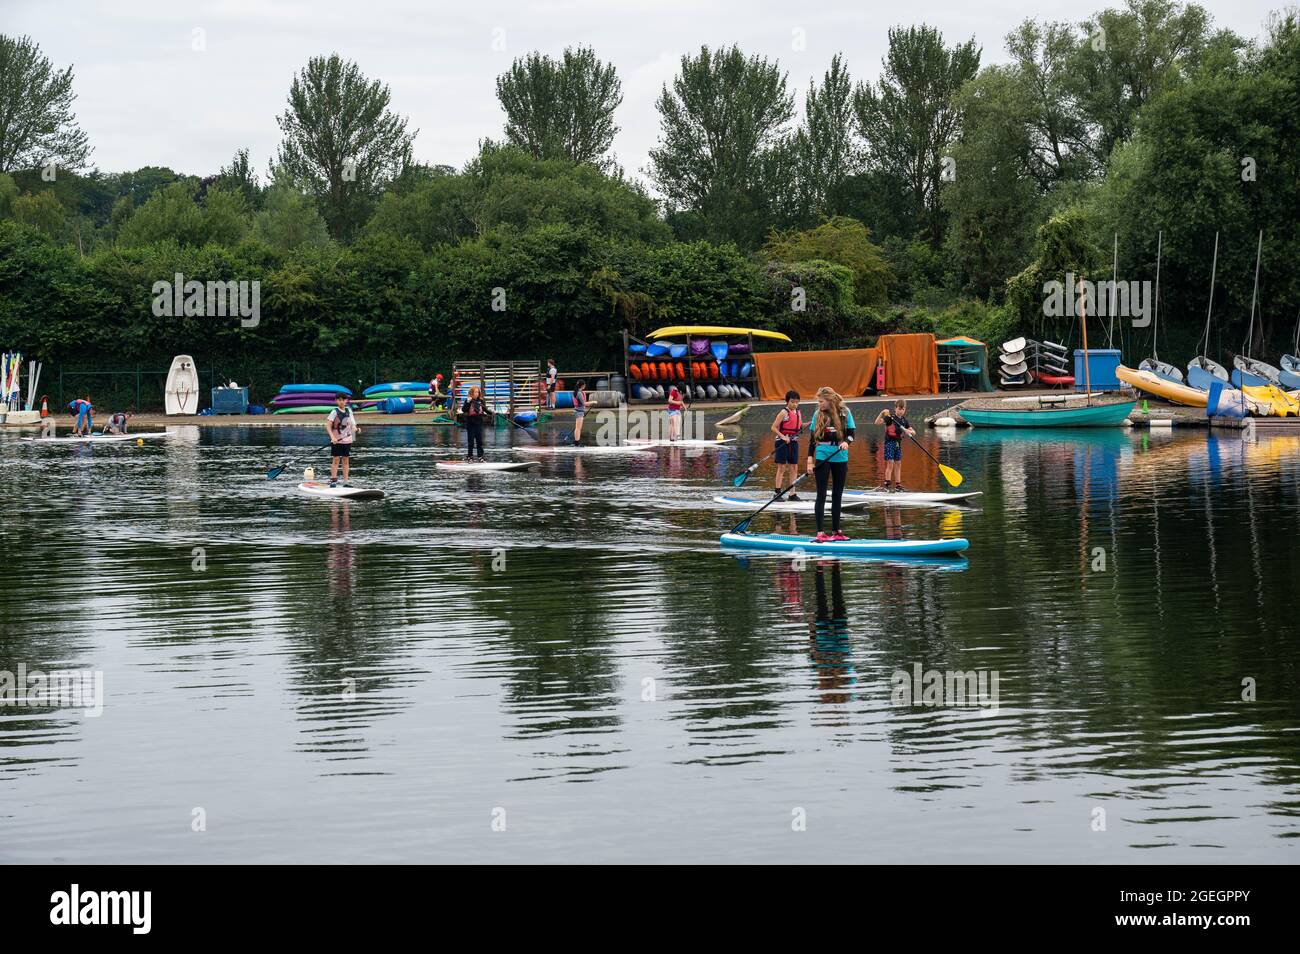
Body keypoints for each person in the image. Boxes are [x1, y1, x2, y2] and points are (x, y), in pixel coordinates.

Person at [806, 386, 855, 543]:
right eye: (819, 401)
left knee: (837, 494)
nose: (819, 404)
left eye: (821, 401)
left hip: (840, 455)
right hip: (822, 455)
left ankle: (836, 531)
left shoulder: (845, 413)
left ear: (829, 400)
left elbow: (852, 435)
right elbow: (812, 440)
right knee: (821, 494)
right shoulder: (817, 414)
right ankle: (820, 533)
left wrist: (847, 442)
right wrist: (809, 460)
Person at [874, 399, 914, 492]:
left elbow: (913, 432)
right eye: (899, 409)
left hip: (897, 444)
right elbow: (876, 422)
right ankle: (887, 485)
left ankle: (898, 485)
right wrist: (882, 413)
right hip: (889, 443)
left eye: (903, 409)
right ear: (895, 408)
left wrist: (908, 431)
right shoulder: (890, 418)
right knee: (890, 463)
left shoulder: (904, 420)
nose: (901, 411)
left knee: (898, 464)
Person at [770, 389, 802, 500]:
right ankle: (777, 493)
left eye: (797, 402)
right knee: (782, 467)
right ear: (787, 402)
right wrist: (783, 437)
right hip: (781, 442)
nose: (795, 404)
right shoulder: (783, 412)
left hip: (793, 442)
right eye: (793, 402)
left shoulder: (798, 412)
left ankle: (792, 493)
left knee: (794, 467)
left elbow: (800, 427)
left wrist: (812, 423)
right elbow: (773, 427)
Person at [325, 392, 358, 486]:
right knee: (336, 459)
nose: (341, 402)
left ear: (346, 401)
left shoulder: (349, 411)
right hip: (337, 439)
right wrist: (332, 437)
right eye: (339, 400)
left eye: (343, 400)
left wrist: (355, 429)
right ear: (336, 401)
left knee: (346, 459)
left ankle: (345, 482)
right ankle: (333, 480)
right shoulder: (334, 411)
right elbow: (328, 425)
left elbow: (352, 424)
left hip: (347, 440)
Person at [462, 385, 486, 460]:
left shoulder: (481, 401)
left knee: (479, 442)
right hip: (471, 424)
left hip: (479, 423)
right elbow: (464, 410)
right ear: (472, 393)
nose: (477, 394)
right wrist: (468, 402)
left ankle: (480, 457)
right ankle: (470, 457)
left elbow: (485, 409)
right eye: (475, 392)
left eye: (478, 392)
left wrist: (492, 412)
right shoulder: (468, 400)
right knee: (471, 442)